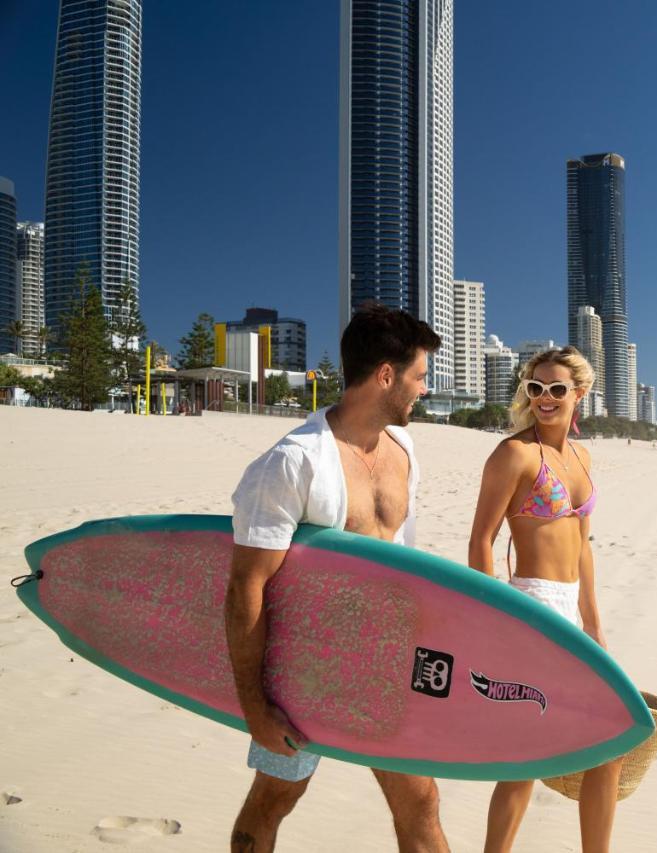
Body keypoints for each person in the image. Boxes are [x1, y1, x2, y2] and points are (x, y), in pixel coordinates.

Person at [224, 305, 450, 853]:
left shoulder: (404, 449)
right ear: (386, 376)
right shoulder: (292, 463)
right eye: (420, 376)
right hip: (306, 670)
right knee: (276, 797)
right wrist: (256, 709)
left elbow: (402, 560)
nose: (424, 389)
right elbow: (245, 588)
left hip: (386, 661)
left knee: (419, 802)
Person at [466, 347, 621, 853]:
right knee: (525, 759)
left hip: (570, 610)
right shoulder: (514, 454)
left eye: (557, 389)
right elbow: (481, 541)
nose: (545, 399)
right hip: (529, 610)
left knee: (610, 743)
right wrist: (494, 624)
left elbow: (583, 545)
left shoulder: (582, 456)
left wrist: (593, 622)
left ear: (581, 392)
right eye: (536, 388)